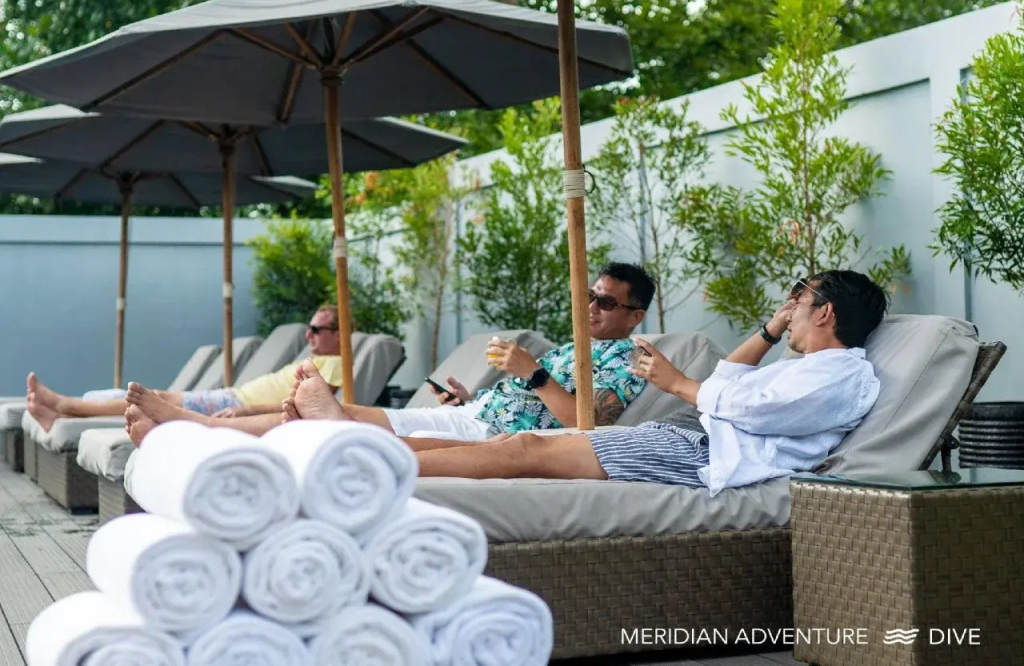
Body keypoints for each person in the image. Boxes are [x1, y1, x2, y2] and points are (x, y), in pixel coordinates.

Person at [289, 270, 886, 495]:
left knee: (525, 450)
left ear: (826, 313)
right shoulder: (804, 368)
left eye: (799, 301)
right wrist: (769, 329)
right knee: (511, 444)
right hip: (692, 441)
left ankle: (366, 463)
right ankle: (357, 448)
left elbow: (748, 409)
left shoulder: (842, 375)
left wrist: (678, 383)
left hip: (706, 458)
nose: (790, 309)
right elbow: (732, 379)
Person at [283, 262, 657, 442]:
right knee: (351, 414)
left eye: (606, 303)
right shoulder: (575, 347)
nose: (591, 307)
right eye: (590, 296)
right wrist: (467, 399)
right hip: (476, 414)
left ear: (635, 316)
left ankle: (331, 428)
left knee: (368, 427)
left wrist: (534, 373)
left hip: (498, 435)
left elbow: (589, 423)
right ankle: (322, 421)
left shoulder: (628, 360)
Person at [27, 305, 343, 434]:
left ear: (339, 334)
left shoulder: (336, 366)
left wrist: (246, 410)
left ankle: (63, 406)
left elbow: (313, 406)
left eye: (316, 329)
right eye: (308, 329)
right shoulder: (315, 360)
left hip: (237, 405)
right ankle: (62, 411)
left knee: (156, 398)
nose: (308, 335)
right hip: (233, 397)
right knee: (156, 398)